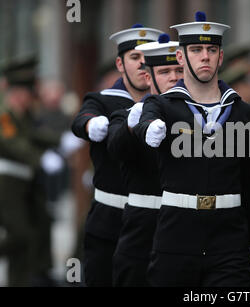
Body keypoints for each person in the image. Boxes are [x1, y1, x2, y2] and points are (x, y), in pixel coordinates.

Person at [134, 12, 250, 287]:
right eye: (196, 50)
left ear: (221, 57)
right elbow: (145, 120)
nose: (205, 56)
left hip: (229, 240)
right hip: (176, 236)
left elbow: (249, 182)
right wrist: (150, 129)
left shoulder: (244, 112)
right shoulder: (164, 106)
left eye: (211, 49)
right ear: (181, 58)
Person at [71, 24, 162, 286]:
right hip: (111, 216)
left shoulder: (168, 103)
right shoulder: (104, 100)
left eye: (148, 57)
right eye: (135, 57)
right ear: (120, 64)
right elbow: (82, 119)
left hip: (153, 220)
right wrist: (92, 125)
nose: (143, 64)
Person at [107, 33, 183, 287]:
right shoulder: (128, 116)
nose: (174, 77)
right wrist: (133, 126)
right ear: (149, 77)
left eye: (178, 71)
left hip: (186, 228)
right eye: (165, 72)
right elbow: (116, 147)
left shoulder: (201, 119)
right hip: (143, 224)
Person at [0, 57, 64, 286]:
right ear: (16, 92)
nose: (29, 99)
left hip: (25, 179)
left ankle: (20, 281)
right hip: (7, 181)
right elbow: (11, 143)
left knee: (32, 234)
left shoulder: (23, 114)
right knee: (19, 235)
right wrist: (40, 158)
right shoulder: (5, 113)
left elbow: (35, 135)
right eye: (26, 94)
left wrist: (61, 140)